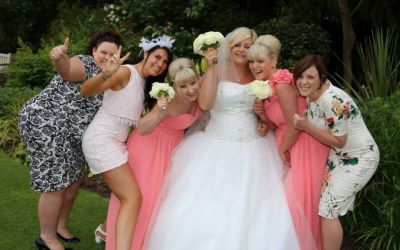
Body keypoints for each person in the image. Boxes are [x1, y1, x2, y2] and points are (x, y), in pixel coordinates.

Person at [143, 27, 300, 250]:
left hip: (254, 146)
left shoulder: (259, 74)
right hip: (215, 144)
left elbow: (269, 109)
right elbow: (205, 104)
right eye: (238, 45)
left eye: (247, 46)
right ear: (230, 46)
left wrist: (263, 120)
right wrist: (210, 67)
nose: (242, 50)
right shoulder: (217, 70)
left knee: (256, 207)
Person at [18, 30, 122, 250]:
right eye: (103, 52)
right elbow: (67, 70)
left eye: (113, 55)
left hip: (71, 135)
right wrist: (60, 58)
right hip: (46, 123)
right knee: (57, 183)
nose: (107, 57)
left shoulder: (113, 75)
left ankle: (59, 226)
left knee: (74, 179)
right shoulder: (85, 64)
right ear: (94, 51)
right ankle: (46, 238)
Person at [80, 35, 173, 250]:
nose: (160, 64)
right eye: (157, 57)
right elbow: (85, 90)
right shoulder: (125, 72)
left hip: (117, 143)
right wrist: (105, 74)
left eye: (165, 62)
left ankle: (105, 230)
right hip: (101, 140)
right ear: (146, 53)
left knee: (129, 196)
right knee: (132, 198)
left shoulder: (148, 84)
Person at [105, 58, 200, 250]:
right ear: (175, 85)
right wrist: (161, 112)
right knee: (144, 200)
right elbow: (142, 128)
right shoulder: (170, 98)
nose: (190, 90)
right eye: (183, 86)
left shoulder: (200, 95)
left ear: (199, 79)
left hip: (171, 151)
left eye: (193, 83)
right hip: (148, 148)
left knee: (160, 202)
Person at [248, 35, 330, 250]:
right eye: (251, 61)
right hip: (288, 143)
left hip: (302, 145)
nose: (254, 66)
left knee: (298, 206)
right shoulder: (269, 84)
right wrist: (264, 117)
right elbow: (280, 123)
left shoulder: (282, 82)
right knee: (291, 207)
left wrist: (283, 149)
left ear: (273, 61)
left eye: (260, 61)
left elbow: (295, 124)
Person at [292, 54, 380, 250]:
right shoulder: (311, 94)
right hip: (338, 157)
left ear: (322, 77)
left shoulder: (333, 100)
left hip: (361, 158)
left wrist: (306, 126)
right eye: (300, 76)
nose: (303, 82)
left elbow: (340, 141)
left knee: (328, 210)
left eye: (310, 77)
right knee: (327, 208)